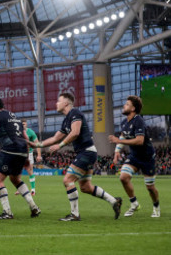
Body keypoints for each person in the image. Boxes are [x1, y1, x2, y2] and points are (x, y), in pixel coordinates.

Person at [31, 93, 121, 221]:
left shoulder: (75, 113)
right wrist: (37, 144)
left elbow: (75, 132)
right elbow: (55, 138)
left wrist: (60, 145)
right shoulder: (67, 119)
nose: (56, 103)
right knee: (86, 187)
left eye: (59, 101)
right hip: (87, 152)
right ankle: (114, 201)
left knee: (67, 180)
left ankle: (74, 214)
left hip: (86, 152)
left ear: (66, 103)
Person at [109, 95, 159, 218]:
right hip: (134, 157)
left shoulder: (139, 121)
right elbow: (122, 137)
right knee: (123, 177)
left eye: (127, 104)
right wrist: (116, 152)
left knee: (150, 187)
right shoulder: (124, 122)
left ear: (133, 108)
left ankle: (156, 207)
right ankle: (134, 204)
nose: (124, 106)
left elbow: (139, 141)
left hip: (147, 158)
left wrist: (118, 141)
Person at [15, 120, 42, 196]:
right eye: (22, 124)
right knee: (18, 171)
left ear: (26, 124)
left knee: (30, 170)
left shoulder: (31, 132)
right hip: (20, 153)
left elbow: (37, 144)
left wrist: (39, 155)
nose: (23, 125)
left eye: (24, 124)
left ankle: (33, 190)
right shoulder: (18, 132)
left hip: (29, 153)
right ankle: (19, 189)